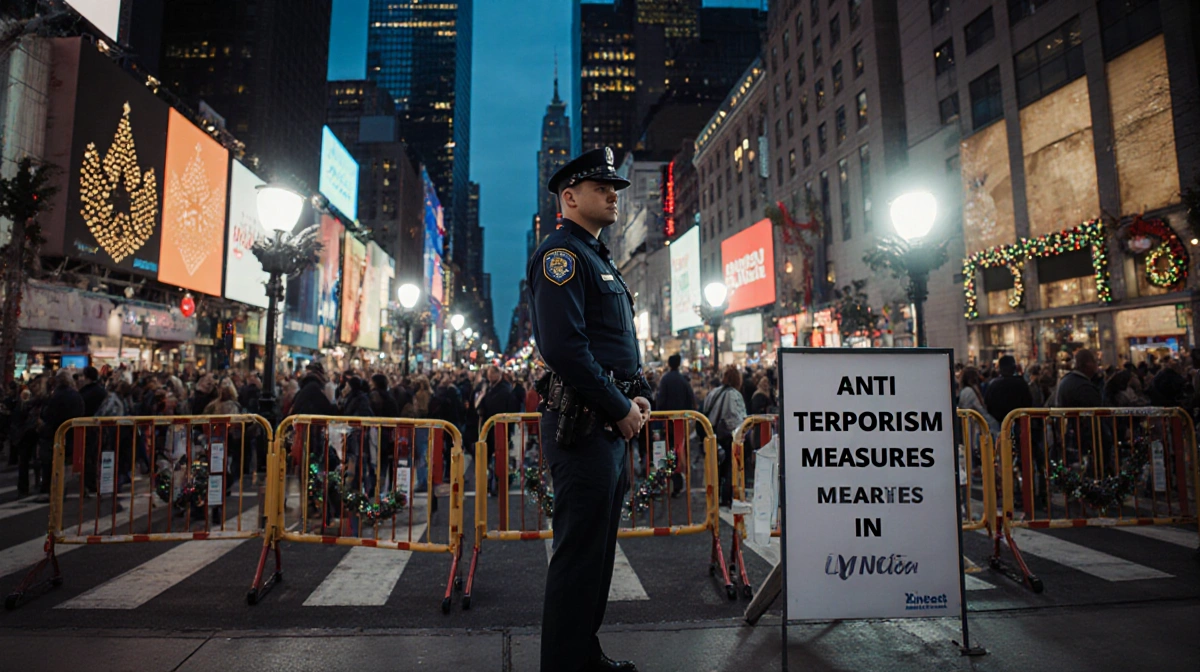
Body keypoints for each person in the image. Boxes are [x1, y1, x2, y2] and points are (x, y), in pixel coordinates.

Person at [530, 147, 647, 672]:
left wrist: (638, 390)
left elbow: (613, 340)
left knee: (597, 555)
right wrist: (620, 404)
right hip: (583, 426)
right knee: (579, 556)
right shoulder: (562, 255)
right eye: (602, 188)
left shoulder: (597, 256)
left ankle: (584, 655)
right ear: (569, 197)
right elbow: (564, 347)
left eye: (615, 188)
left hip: (606, 424)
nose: (612, 195)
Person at [34, 369, 86, 501]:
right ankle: (62, 490)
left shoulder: (56, 396)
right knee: (65, 464)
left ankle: (50, 491)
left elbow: (49, 414)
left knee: (49, 463)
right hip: (71, 433)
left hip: (54, 433)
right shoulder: (76, 395)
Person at [702, 365, 748, 508]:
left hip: (712, 433)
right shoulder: (734, 394)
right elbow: (735, 418)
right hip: (728, 436)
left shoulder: (713, 392)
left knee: (716, 467)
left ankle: (715, 495)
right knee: (730, 466)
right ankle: (727, 496)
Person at [655, 354, 697, 496]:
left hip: (667, 421)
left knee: (668, 450)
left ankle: (669, 479)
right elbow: (691, 400)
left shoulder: (665, 379)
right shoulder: (683, 380)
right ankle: (677, 481)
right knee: (679, 450)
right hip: (681, 421)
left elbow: (660, 401)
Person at [983, 356, 1032, 429]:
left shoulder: (993, 384)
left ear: (999, 369)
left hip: (998, 423)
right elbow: (1028, 402)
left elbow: (987, 404)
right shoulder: (1021, 384)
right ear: (1014, 368)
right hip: (1018, 423)